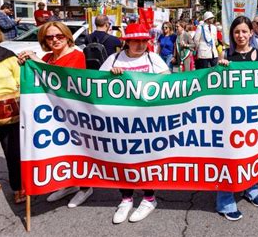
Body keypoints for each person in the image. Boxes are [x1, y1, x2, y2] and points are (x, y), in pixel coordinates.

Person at [99, 23, 170, 224]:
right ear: (127, 42)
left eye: (143, 41)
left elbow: (170, 84)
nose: (140, 45)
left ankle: (149, 197)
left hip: (148, 123)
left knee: (146, 160)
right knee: (122, 158)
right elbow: (96, 85)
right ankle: (126, 198)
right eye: (135, 41)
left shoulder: (154, 59)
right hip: (121, 123)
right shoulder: (113, 59)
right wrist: (109, 76)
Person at [17, 21, 89, 206]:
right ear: (44, 40)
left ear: (67, 36)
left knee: (76, 150)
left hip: (73, 114)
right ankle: (68, 184)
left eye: (59, 36)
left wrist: (35, 60)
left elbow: (60, 78)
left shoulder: (76, 55)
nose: (55, 40)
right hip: (52, 115)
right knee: (61, 149)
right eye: (50, 37)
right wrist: (25, 65)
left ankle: (84, 187)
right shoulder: (48, 57)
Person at [217, 16, 258, 221]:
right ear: (232, 35)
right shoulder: (225, 54)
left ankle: (250, 187)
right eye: (236, 32)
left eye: (244, 31)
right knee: (228, 156)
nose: (240, 36)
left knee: (252, 152)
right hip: (229, 118)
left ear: (251, 33)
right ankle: (225, 200)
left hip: (252, 116)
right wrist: (219, 66)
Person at [0, 28, 24, 204]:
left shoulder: (8, 56)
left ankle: (18, 188)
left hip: (7, 113)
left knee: (12, 151)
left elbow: (21, 82)